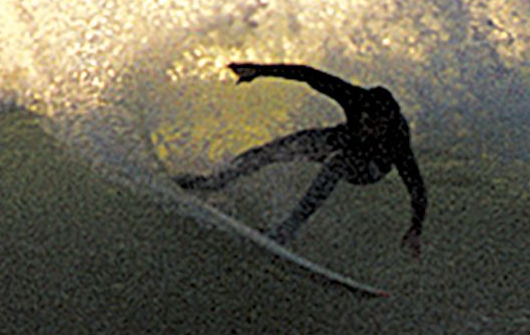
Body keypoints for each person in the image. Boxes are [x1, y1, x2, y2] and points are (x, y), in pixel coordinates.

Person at [176, 60, 428, 255]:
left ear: (389, 121)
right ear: (362, 112)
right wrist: (259, 71)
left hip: (371, 167)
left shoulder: (397, 141)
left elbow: (417, 188)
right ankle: (213, 182)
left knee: (337, 163)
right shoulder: (354, 97)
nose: (371, 129)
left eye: (377, 126)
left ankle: (287, 230)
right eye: (368, 122)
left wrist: (415, 229)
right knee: (280, 148)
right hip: (345, 140)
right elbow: (307, 74)